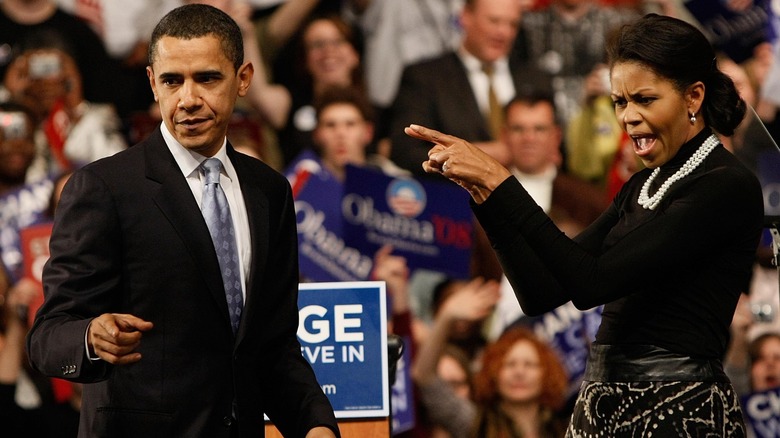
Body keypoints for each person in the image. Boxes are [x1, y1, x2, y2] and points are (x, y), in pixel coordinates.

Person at [407, 13, 765, 435]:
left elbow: (591, 284)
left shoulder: (725, 185)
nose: (628, 117)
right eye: (619, 101)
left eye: (644, 100)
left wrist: (501, 180)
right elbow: (543, 292)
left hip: (677, 408)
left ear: (693, 97)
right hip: (602, 406)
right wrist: (486, 198)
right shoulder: (642, 184)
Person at [25, 4, 339, 438]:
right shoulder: (103, 188)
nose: (188, 99)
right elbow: (48, 335)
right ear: (153, 82)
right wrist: (90, 337)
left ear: (243, 79)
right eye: (172, 80)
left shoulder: (269, 191)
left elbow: (273, 344)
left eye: (207, 78)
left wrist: (316, 424)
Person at [388, 0, 549, 176]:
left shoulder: (537, 79)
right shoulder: (425, 78)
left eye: (512, 24)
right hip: (454, 198)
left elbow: (558, 150)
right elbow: (405, 152)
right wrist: (477, 155)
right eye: (494, 21)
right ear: (465, 17)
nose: (504, 32)